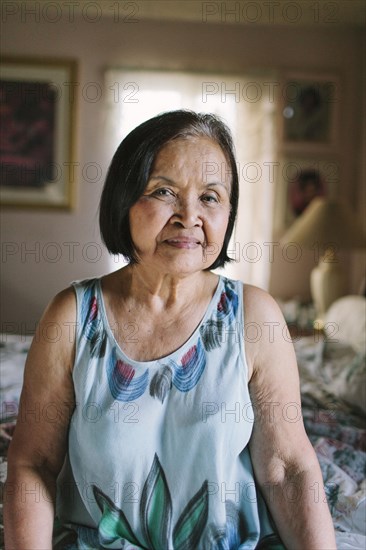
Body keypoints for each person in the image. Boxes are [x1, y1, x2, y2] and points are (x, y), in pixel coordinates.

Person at [5, 110, 336, 549]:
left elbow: (288, 467)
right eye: (164, 192)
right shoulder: (71, 316)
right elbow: (34, 462)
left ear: (229, 212)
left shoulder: (256, 316)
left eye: (211, 197)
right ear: (124, 200)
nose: (189, 216)